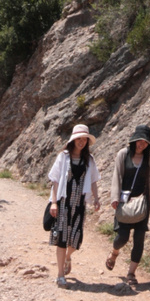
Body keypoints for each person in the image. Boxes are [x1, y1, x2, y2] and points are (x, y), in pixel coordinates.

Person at [47, 123, 101, 288]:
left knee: (76, 240)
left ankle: (68, 257)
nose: (82, 142)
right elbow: (55, 181)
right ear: (73, 139)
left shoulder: (89, 160)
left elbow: (93, 181)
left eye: (84, 139)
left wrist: (96, 199)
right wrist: (54, 202)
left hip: (79, 205)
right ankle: (60, 275)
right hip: (63, 203)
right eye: (79, 138)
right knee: (62, 239)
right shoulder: (63, 157)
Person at [106, 123, 150, 286]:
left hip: (142, 202)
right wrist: (114, 197)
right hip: (124, 202)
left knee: (139, 239)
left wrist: (149, 203)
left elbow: (149, 181)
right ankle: (114, 253)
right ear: (134, 140)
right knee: (122, 237)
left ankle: (131, 273)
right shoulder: (123, 154)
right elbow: (117, 176)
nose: (141, 144)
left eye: (145, 142)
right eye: (139, 141)